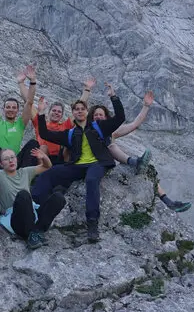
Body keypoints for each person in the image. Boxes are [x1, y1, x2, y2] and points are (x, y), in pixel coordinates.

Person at [31, 84, 127, 243]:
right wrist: (41, 113)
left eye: (82, 108)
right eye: (76, 109)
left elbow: (120, 117)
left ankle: (92, 223)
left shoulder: (99, 127)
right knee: (48, 174)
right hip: (77, 166)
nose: (80, 111)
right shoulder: (70, 133)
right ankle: (34, 206)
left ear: (87, 111)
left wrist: (113, 97)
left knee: (91, 180)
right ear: (73, 113)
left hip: (98, 164)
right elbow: (44, 133)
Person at [105, 90, 192, 212]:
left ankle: (168, 202)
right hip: (100, 166)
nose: (99, 118)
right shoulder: (90, 132)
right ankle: (135, 162)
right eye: (96, 115)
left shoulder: (111, 133)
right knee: (113, 147)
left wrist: (146, 106)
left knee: (146, 168)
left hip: (111, 165)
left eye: (101, 116)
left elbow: (134, 124)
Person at [0, 146, 65, 249]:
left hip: (32, 214)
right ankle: (31, 234)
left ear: (16, 159)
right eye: (6, 159)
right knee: (23, 195)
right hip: (15, 219)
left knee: (59, 198)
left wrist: (43, 157)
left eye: (12, 157)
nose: (10, 160)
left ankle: (36, 231)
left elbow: (47, 166)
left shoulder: (24, 172)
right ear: (0, 163)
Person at [0, 65, 43, 171]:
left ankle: (24, 175)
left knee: (33, 143)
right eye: (8, 107)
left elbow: (29, 102)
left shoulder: (20, 124)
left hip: (16, 162)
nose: (11, 109)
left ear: (17, 110)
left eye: (14, 107)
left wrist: (32, 81)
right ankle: (3, 174)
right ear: (3, 109)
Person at [34, 77, 94, 160]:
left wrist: (87, 89)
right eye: (54, 110)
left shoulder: (65, 125)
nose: (56, 113)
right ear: (49, 112)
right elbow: (28, 102)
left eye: (59, 112)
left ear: (62, 115)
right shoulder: (40, 124)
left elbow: (78, 107)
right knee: (42, 147)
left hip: (59, 157)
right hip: (43, 157)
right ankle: (41, 170)